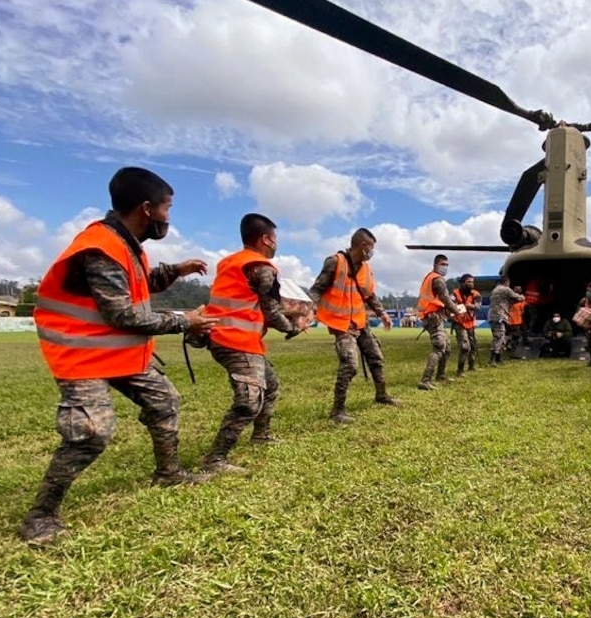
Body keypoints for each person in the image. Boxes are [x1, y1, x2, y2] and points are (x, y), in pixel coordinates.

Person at [21, 167, 218, 546]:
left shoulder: (125, 245)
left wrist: (177, 270)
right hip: (81, 354)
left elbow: (144, 282)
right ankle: (40, 515)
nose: (168, 218)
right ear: (146, 208)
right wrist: (185, 321)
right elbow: (123, 314)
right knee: (91, 432)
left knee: (164, 401)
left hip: (114, 352)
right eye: (167, 208)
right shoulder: (100, 247)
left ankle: (169, 473)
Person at [199, 214, 304, 475]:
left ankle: (261, 434)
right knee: (249, 400)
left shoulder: (230, 263)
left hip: (221, 337)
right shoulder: (262, 267)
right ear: (266, 239)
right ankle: (216, 459)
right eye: (275, 239)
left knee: (271, 385)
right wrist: (292, 327)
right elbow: (271, 310)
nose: (276, 244)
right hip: (237, 341)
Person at [309, 228, 399, 424]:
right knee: (350, 364)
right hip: (341, 323)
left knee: (376, 358)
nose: (372, 252)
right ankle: (337, 411)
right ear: (363, 245)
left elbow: (370, 294)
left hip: (360, 320)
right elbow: (316, 289)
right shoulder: (335, 262)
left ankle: (382, 395)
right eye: (372, 248)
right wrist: (307, 311)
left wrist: (382, 313)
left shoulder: (366, 268)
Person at [416, 254, 465, 390]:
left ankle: (440, 375)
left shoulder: (429, 277)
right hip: (432, 317)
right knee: (439, 347)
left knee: (447, 348)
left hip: (434, 316)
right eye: (443, 264)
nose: (445, 267)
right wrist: (456, 311)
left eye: (447, 265)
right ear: (436, 265)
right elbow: (445, 299)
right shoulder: (437, 279)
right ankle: (425, 380)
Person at [486, 275, 524, 365]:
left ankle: (498, 358)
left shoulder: (495, 290)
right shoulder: (505, 289)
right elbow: (517, 298)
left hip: (493, 315)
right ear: (507, 282)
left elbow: (507, 301)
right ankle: (493, 359)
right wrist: (522, 297)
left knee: (501, 337)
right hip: (499, 316)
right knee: (499, 337)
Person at [451, 274, 481, 375]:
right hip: (459, 323)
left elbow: (478, 306)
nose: (471, 284)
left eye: (472, 282)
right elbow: (450, 305)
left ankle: (471, 366)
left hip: (471, 323)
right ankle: (460, 370)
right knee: (464, 347)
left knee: (473, 345)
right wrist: (461, 307)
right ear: (463, 283)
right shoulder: (455, 293)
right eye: (469, 282)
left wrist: (470, 306)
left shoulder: (475, 293)